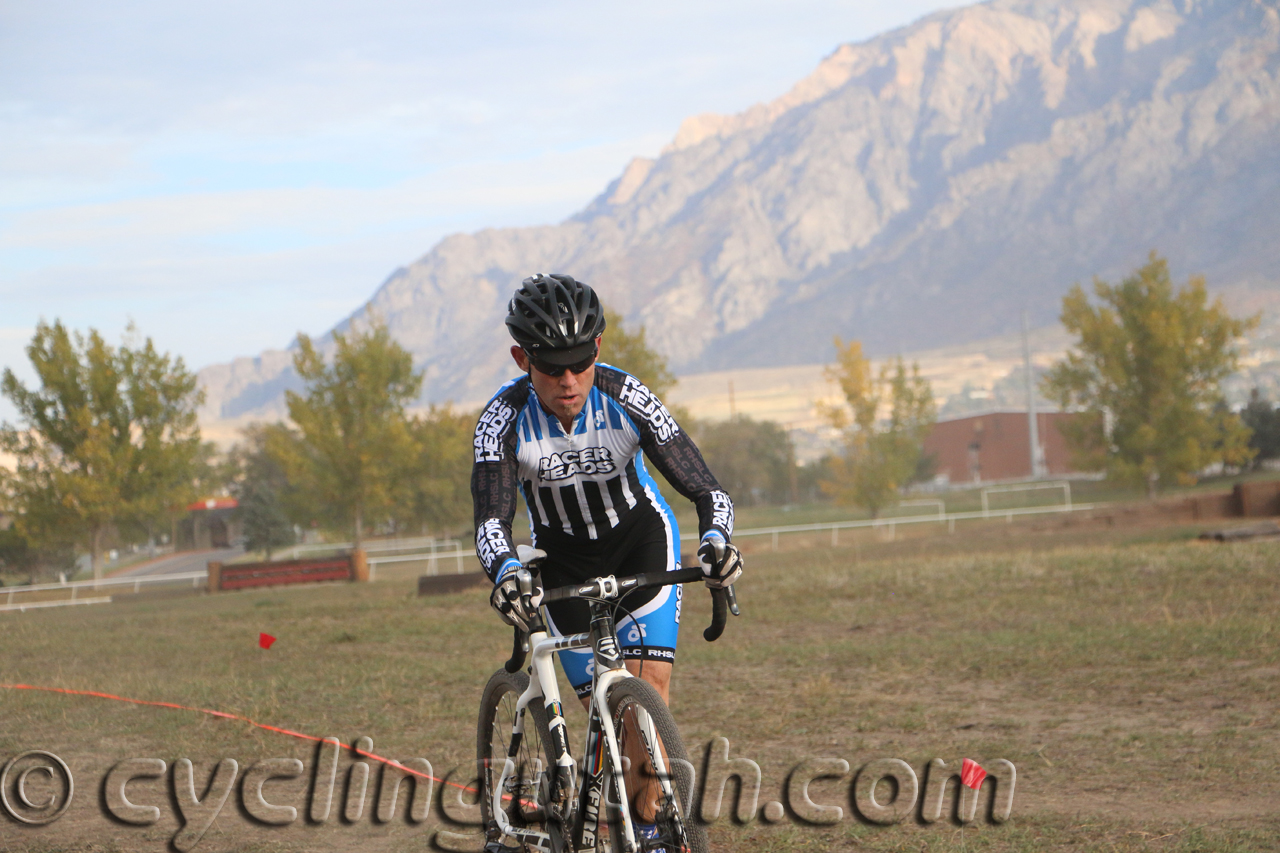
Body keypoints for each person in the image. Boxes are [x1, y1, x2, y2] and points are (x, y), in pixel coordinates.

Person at [471, 273, 743, 839]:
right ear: (522, 358)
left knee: (643, 701)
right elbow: (491, 522)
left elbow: (706, 489)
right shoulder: (501, 420)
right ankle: (576, 807)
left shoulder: (627, 397)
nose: (568, 381)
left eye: (579, 363)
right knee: (601, 712)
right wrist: (506, 573)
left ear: (597, 348)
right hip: (562, 563)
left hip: (639, 542)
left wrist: (717, 541)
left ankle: (647, 834)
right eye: (551, 368)